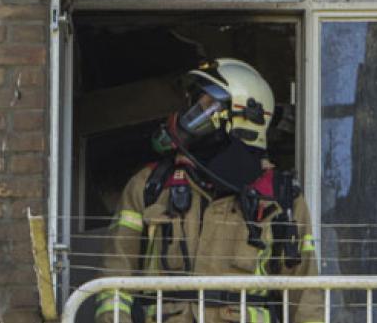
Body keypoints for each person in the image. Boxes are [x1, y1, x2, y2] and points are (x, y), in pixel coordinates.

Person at [95, 58, 323, 323]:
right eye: (194, 105)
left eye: (205, 107)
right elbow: (114, 276)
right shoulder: (151, 185)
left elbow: (306, 300)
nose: (190, 117)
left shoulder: (281, 199)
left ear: (244, 116)